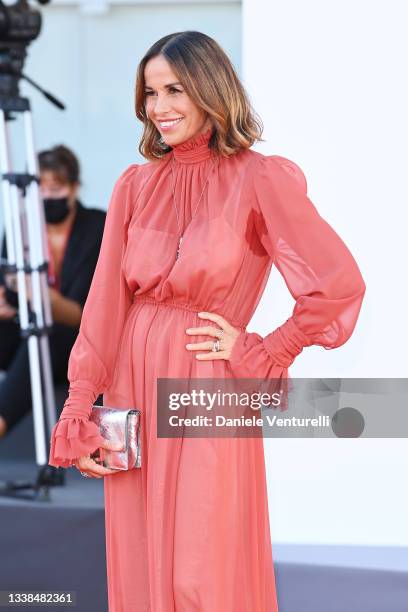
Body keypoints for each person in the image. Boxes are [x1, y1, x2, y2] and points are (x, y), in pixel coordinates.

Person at [48, 31, 366, 612]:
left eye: (175, 89)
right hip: (132, 385)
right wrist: (79, 408)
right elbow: (104, 305)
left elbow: (336, 286)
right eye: (149, 92)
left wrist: (264, 350)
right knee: (139, 557)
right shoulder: (134, 185)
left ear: (210, 90)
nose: (159, 107)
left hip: (207, 384)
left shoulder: (260, 177)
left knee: (202, 565)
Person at [0, 145, 106, 438]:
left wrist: (39, 297)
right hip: (25, 334)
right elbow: (9, 289)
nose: (47, 198)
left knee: (45, 336)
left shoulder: (99, 227)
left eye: (55, 188)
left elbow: (83, 315)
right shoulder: (21, 228)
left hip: (77, 342)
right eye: (39, 190)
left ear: (74, 188)